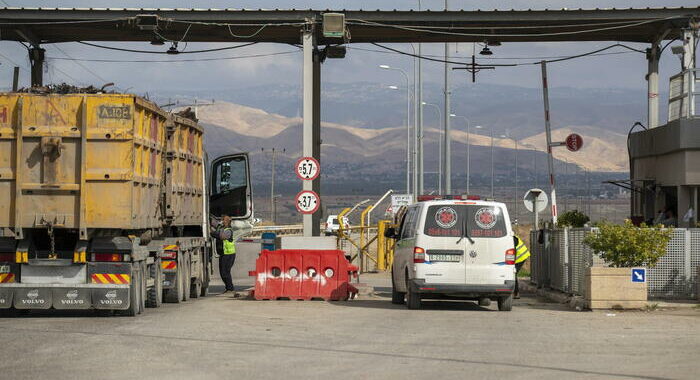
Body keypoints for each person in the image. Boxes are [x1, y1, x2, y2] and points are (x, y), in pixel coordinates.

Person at [214, 215, 237, 295]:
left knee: (225, 272)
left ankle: (230, 288)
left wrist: (213, 233)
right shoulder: (222, 228)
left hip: (229, 254)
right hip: (223, 254)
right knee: (222, 272)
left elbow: (222, 236)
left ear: (227, 221)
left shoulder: (228, 230)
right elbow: (215, 225)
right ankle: (228, 288)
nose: (222, 221)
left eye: (223, 220)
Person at [513, 235, 531, 299]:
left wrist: (512, 263)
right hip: (521, 256)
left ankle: (516, 293)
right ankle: (515, 292)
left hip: (521, 257)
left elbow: (513, 251)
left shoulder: (512, 238)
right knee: (513, 274)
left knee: (513, 274)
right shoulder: (512, 236)